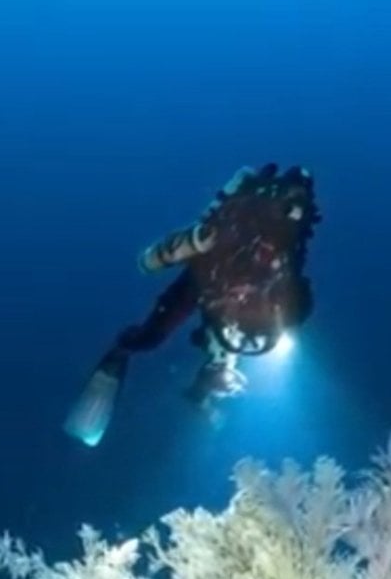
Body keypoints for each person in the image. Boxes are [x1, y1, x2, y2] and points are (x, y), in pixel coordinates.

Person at [64, 162, 321, 446]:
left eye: (301, 203)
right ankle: (118, 360)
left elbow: (290, 288)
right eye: (291, 201)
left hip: (233, 298)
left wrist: (283, 309)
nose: (295, 211)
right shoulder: (245, 219)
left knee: (220, 358)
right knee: (152, 337)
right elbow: (203, 245)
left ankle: (199, 396)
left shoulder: (289, 245)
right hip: (203, 281)